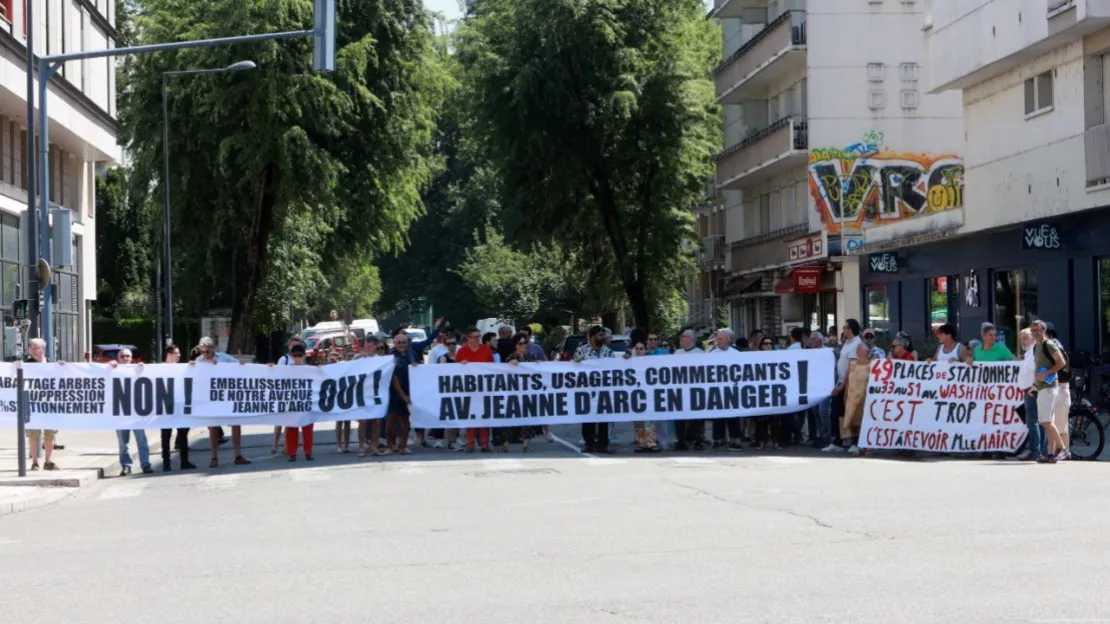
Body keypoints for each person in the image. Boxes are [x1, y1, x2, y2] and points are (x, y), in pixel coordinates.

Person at [193, 337, 251, 468]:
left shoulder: (224, 358)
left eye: (207, 351)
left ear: (212, 349)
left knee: (236, 423)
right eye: (202, 352)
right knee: (213, 427)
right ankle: (213, 457)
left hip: (226, 396)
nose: (205, 354)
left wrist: (240, 364)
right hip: (211, 398)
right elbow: (196, 377)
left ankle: (238, 455)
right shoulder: (199, 361)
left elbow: (238, 365)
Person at [1031, 320, 1069, 463]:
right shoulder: (1037, 347)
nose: (1035, 333)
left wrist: (1046, 374)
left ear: (1044, 330)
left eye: (1038, 330)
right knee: (1048, 422)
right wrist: (1035, 384)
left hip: (1049, 386)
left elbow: (1061, 363)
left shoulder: (1049, 344)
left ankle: (1062, 449)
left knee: (1045, 421)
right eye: (1033, 330)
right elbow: (1039, 368)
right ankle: (1051, 453)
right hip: (1042, 387)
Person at [574, 325, 616, 453]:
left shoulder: (608, 352)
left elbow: (616, 367)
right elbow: (573, 367)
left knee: (603, 418)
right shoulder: (582, 351)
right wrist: (576, 362)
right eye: (600, 335)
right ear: (591, 336)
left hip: (604, 390)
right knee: (588, 418)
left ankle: (603, 444)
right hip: (587, 390)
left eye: (603, 335)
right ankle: (589, 443)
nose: (603, 338)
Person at [111, 348, 153, 475]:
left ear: (131, 358)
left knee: (142, 440)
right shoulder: (113, 369)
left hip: (136, 412)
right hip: (120, 413)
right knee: (123, 442)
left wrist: (143, 369)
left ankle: (145, 465)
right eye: (122, 356)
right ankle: (126, 465)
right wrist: (108, 366)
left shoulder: (137, 369)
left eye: (127, 356)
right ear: (118, 358)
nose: (125, 359)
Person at [824, 319, 862, 453]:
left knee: (853, 415)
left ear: (850, 329)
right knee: (835, 412)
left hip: (850, 385)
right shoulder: (847, 343)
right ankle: (837, 442)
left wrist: (841, 386)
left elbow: (851, 368)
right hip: (841, 382)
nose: (843, 330)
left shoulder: (856, 344)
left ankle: (856, 443)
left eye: (845, 327)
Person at [456, 326, 496, 452]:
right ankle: (470, 443)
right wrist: (460, 365)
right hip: (468, 389)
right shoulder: (462, 351)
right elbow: (454, 372)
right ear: (468, 338)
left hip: (484, 389)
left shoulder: (486, 349)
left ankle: (484, 443)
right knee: (470, 417)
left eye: (479, 336)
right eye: (475, 337)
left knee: (485, 416)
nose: (478, 339)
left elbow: (493, 368)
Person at [502, 333, 544, 452]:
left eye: (525, 342)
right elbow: (503, 373)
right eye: (521, 343)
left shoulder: (530, 357)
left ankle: (526, 444)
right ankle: (505, 444)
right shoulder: (510, 358)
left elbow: (540, 370)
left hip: (527, 393)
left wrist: (540, 364)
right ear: (515, 345)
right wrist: (509, 365)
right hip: (513, 393)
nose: (524, 345)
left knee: (528, 419)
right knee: (508, 418)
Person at [24, 338, 59, 471]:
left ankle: (48, 461)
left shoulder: (52, 364)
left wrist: (63, 367)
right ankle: (34, 462)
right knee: (33, 435)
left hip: (49, 405)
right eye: (31, 347)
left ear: (42, 350)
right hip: (32, 405)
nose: (32, 350)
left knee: (50, 434)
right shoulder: (26, 364)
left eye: (35, 347)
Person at [159, 344, 195, 471]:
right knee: (166, 434)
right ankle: (166, 462)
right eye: (176, 353)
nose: (179, 355)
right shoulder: (159, 368)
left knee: (183, 434)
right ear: (169, 354)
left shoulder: (183, 368)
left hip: (180, 405)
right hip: (166, 405)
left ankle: (184, 461)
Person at [708, 329, 744, 451]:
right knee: (718, 416)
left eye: (720, 339)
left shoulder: (736, 353)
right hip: (717, 390)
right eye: (717, 339)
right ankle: (717, 439)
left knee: (733, 417)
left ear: (729, 340)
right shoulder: (712, 354)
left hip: (733, 391)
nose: (718, 341)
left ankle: (735, 440)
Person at [672, 329, 707, 451]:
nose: (681, 339)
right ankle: (681, 440)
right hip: (680, 391)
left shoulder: (700, 354)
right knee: (679, 418)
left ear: (691, 339)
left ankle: (697, 439)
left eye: (684, 336)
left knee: (697, 418)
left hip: (695, 391)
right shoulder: (677, 353)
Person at [1016, 328, 1047, 461]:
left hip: (1033, 391)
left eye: (1026, 337)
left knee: (1032, 422)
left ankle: (1036, 451)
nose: (1023, 341)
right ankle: (1040, 450)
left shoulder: (1035, 352)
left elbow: (1042, 368)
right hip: (1029, 390)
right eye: (1021, 338)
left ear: (1033, 338)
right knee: (1036, 422)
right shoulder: (1029, 353)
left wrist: (1035, 385)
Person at [385, 332, 418, 455]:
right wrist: (403, 395)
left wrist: (416, 366)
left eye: (404, 342)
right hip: (394, 392)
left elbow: (418, 371)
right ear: (394, 343)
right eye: (399, 342)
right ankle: (390, 446)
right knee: (392, 419)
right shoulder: (391, 356)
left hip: (410, 391)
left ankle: (403, 445)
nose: (401, 344)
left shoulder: (412, 353)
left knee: (406, 419)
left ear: (407, 343)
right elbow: (394, 378)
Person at [281, 344, 314, 462]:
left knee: (308, 429)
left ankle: (308, 452)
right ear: (291, 356)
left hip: (305, 403)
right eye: (295, 356)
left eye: (300, 355)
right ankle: (292, 453)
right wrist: (270, 368)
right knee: (291, 429)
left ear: (304, 356)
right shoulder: (286, 369)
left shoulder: (310, 369)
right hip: (292, 403)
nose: (298, 358)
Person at [753, 337, 781, 450]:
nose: (768, 346)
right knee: (761, 419)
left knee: (775, 419)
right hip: (760, 391)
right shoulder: (755, 358)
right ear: (761, 346)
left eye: (770, 343)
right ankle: (761, 442)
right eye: (765, 344)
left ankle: (776, 442)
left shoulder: (777, 357)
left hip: (774, 391)